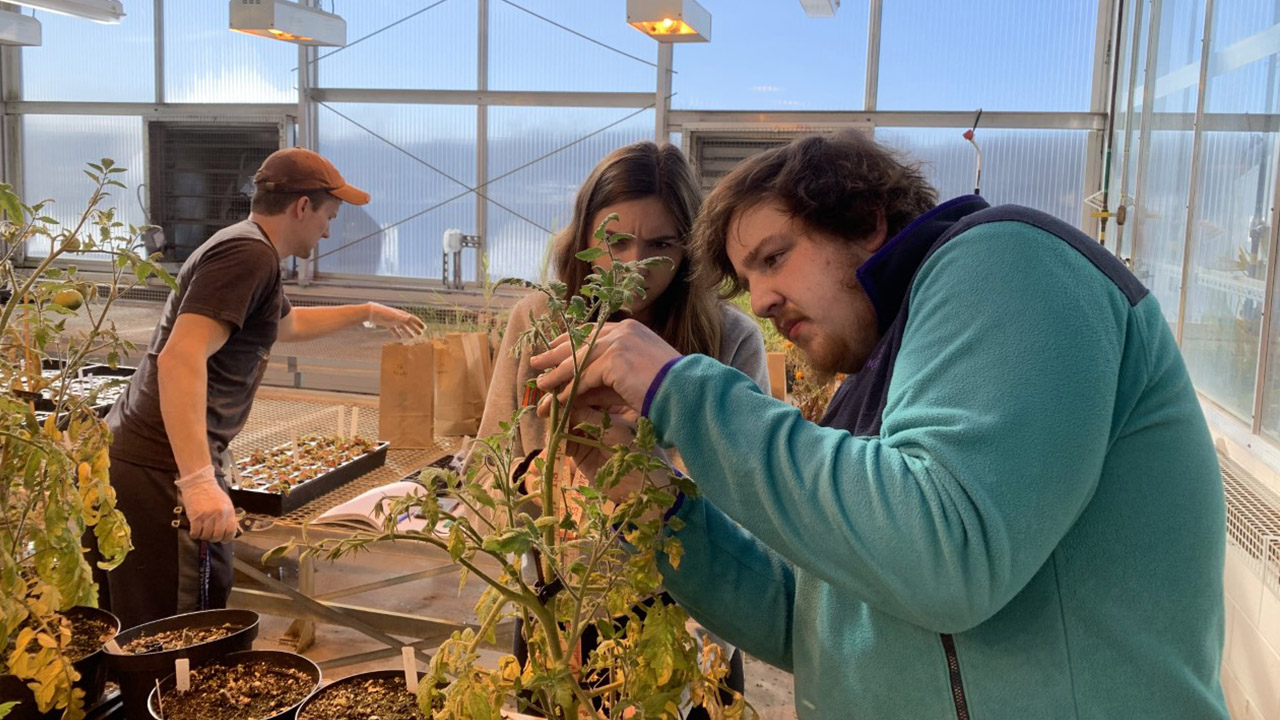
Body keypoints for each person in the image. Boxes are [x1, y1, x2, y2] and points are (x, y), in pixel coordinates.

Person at [531, 132, 1230, 719]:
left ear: (866, 220)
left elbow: (947, 555)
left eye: (774, 257)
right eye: (749, 281)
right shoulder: (870, 390)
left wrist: (675, 386)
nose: (765, 300)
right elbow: (799, 622)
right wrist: (653, 499)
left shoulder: (1009, 261)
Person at [473, 141, 767, 717]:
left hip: (684, 607)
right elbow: (497, 455)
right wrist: (534, 487)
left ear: (690, 249)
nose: (635, 266)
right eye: (615, 242)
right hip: (564, 607)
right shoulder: (540, 320)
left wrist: (651, 453)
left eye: (661, 245)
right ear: (585, 236)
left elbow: (742, 498)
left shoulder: (729, 339)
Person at [101, 147, 426, 630]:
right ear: (302, 207)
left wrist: (369, 311)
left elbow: (287, 325)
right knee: (178, 628)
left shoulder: (248, 250)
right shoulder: (247, 255)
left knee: (162, 616)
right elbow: (180, 356)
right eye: (328, 215)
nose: (329, 230)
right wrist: (197, 481)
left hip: (149, 458)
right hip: (160, 467)